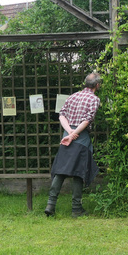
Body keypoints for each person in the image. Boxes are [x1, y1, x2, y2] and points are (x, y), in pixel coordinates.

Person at [44, 72, 102, 218]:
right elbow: (87, 120)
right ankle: (76, 209)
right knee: (79, 172)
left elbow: (61, 115)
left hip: (67, 135)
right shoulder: (94, 99)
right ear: (97, 85)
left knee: (61, 170)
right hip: (80, 137)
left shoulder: (73, 96)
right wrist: (74, 133)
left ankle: (50, 205)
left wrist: (69, 132)